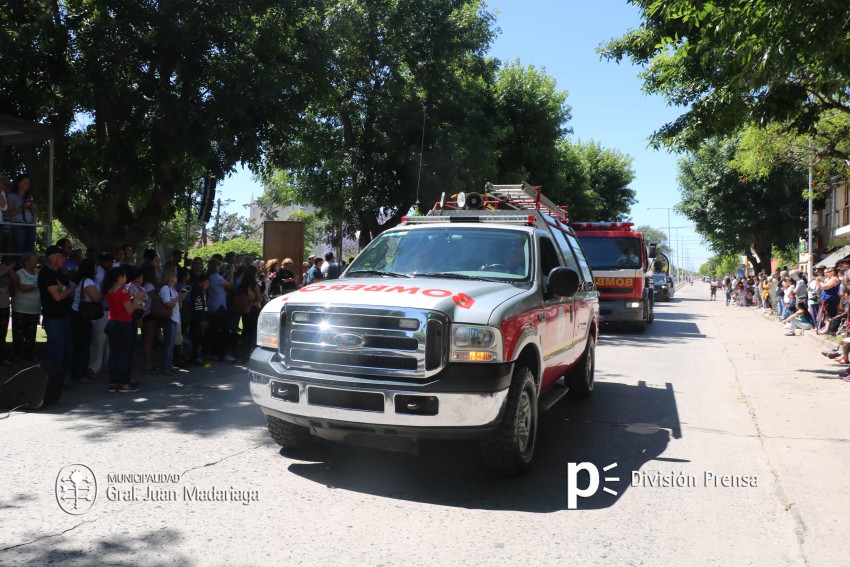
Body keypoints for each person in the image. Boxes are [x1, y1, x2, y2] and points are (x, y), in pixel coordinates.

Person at [38, 245, 75, 386]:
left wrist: (66, 288)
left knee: (67, 350)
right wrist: (70, 289)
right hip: (53, 318)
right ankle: (50, 382)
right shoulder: (46, 274)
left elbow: (65, 287)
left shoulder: (59, 273)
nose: (65, 259)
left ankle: (62, 380)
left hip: (65, 316)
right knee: (56, 351)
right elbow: (58, 297)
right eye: (62, 256)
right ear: (53, 257)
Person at [103, 266, 141, 392]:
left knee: (113, 354)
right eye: (124, 276)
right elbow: (129, 310)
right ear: (119, 278)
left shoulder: (109, 291)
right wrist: (135, 299)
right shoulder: (123, 291)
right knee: (123, 355)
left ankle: (113, 383)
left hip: (111, 322)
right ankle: (124, 382)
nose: (125, 279)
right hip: (123, 324)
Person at [70, 259, 100, 383]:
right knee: (82, 345)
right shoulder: (87, 281)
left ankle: (79, 372)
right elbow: (96, 298)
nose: (97, 267)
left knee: (81, 345)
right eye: (95, 265)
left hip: (78, 315)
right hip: (82, 316)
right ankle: (79, 374)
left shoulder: (82, 280)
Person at [9, 251, 40, 361]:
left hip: (34, 310)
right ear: (26, 262)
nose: (35, 261)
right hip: (21, 309)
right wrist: (37, 284)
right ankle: (18, 355)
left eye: (36, 259)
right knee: (19, 334)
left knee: (31, 335)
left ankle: (29, 354)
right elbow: (22, 288)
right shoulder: (20, 273)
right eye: (33, 260)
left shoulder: (38, 274)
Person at [158, 267, 184, 375]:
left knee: (171, 344)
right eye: (175, 276)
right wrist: (178, 298)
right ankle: (164, 367)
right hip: (169, 318)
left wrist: (180, 299)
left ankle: (169, 365)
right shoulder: (165, 288)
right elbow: (167, 303)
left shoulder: (173, 289)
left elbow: (178, 305)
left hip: (175, 318)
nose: (177, 278)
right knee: (168, 343)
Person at [7, 174, 37, 257]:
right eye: (25, 183)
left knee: (30, 252)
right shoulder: (12, 196)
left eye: (29, 183)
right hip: (18, 226)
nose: (28, 185)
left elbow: (34, 213)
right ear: (19, 183)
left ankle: (27, 269)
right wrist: (22, 208)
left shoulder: (30, 196)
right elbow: (9, 213)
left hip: (31, 225)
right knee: (19, 251)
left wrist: (33, 208)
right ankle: (18, 268)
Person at [0, 259, 14, 365]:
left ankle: (3, 357)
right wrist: (9, 268)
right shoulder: (6, 267)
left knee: (3, 333)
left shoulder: (4, 266)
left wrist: (10, 271)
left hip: (4, 306)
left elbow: (16, 280)